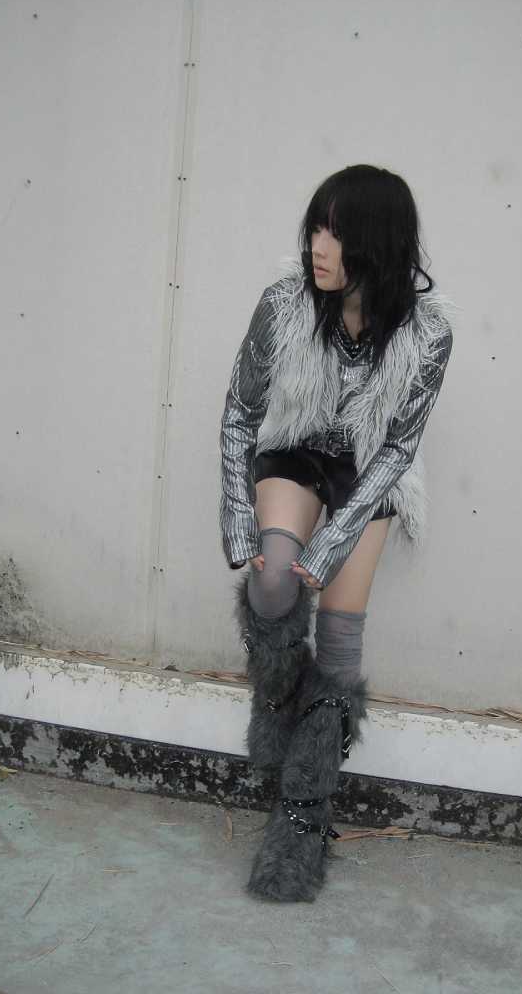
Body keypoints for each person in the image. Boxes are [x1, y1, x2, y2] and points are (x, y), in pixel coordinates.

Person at [219, 164, 454, 901]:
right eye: (315, 227)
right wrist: (238, 516)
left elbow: (399, 449)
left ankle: (303, 813)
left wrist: (334, 541)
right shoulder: (284, 304)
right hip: (295, 449)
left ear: (376, 244)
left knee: (342, 641)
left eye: (336, 233)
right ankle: (277, 700)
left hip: (370, 472)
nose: (317, 246)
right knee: (272, 580)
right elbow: (240, 413)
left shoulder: (428, 334)